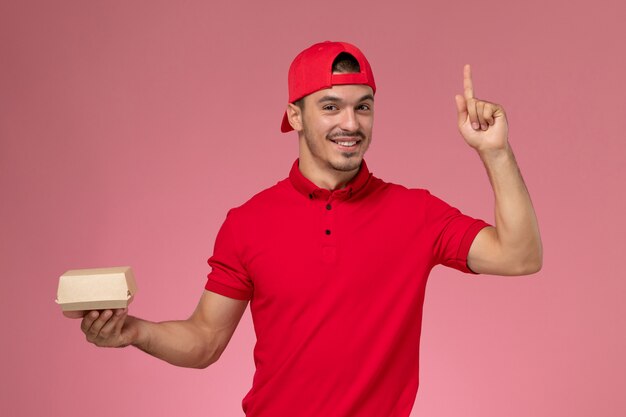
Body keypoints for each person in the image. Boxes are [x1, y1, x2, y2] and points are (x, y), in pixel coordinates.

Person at [66, 41, 542, 416]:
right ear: (295, 115)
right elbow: (205, 340)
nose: (350, 123)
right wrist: (133, 330)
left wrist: (494, 152)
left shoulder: (415, 213)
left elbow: (520, 256)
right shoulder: (248, 223)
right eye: (330, 107)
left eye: (364, 106)